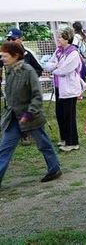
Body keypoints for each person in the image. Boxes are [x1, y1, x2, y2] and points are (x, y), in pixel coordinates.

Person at [0, 42, 62, 187]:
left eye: (5, 56)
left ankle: (54, 168)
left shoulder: (28, 71)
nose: (2, 58)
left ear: (15, 56)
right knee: (4, 148)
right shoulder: (9, 70)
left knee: (43, 144)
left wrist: (29, 113)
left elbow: (37, 96)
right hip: (14, 117)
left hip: (31, 118)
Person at [45, 27, 82, 152]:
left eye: (60, 37)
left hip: (69, 89)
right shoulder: (58, 51)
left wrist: (55, 67)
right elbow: (48, 64)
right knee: (60, 114)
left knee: (69, 116)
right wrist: (55, 66)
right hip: (59, 87)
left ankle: (73, 142)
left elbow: (64, 70)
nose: (58, 39)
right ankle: (64, 138)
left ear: (67, 38)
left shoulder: (73, 53)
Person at [72, 21, 86, 90]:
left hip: (80, 56)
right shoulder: (84, 34)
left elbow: (74, 46)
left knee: (79, 71)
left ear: (74, 28)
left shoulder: (76, 36)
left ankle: (81, 86)